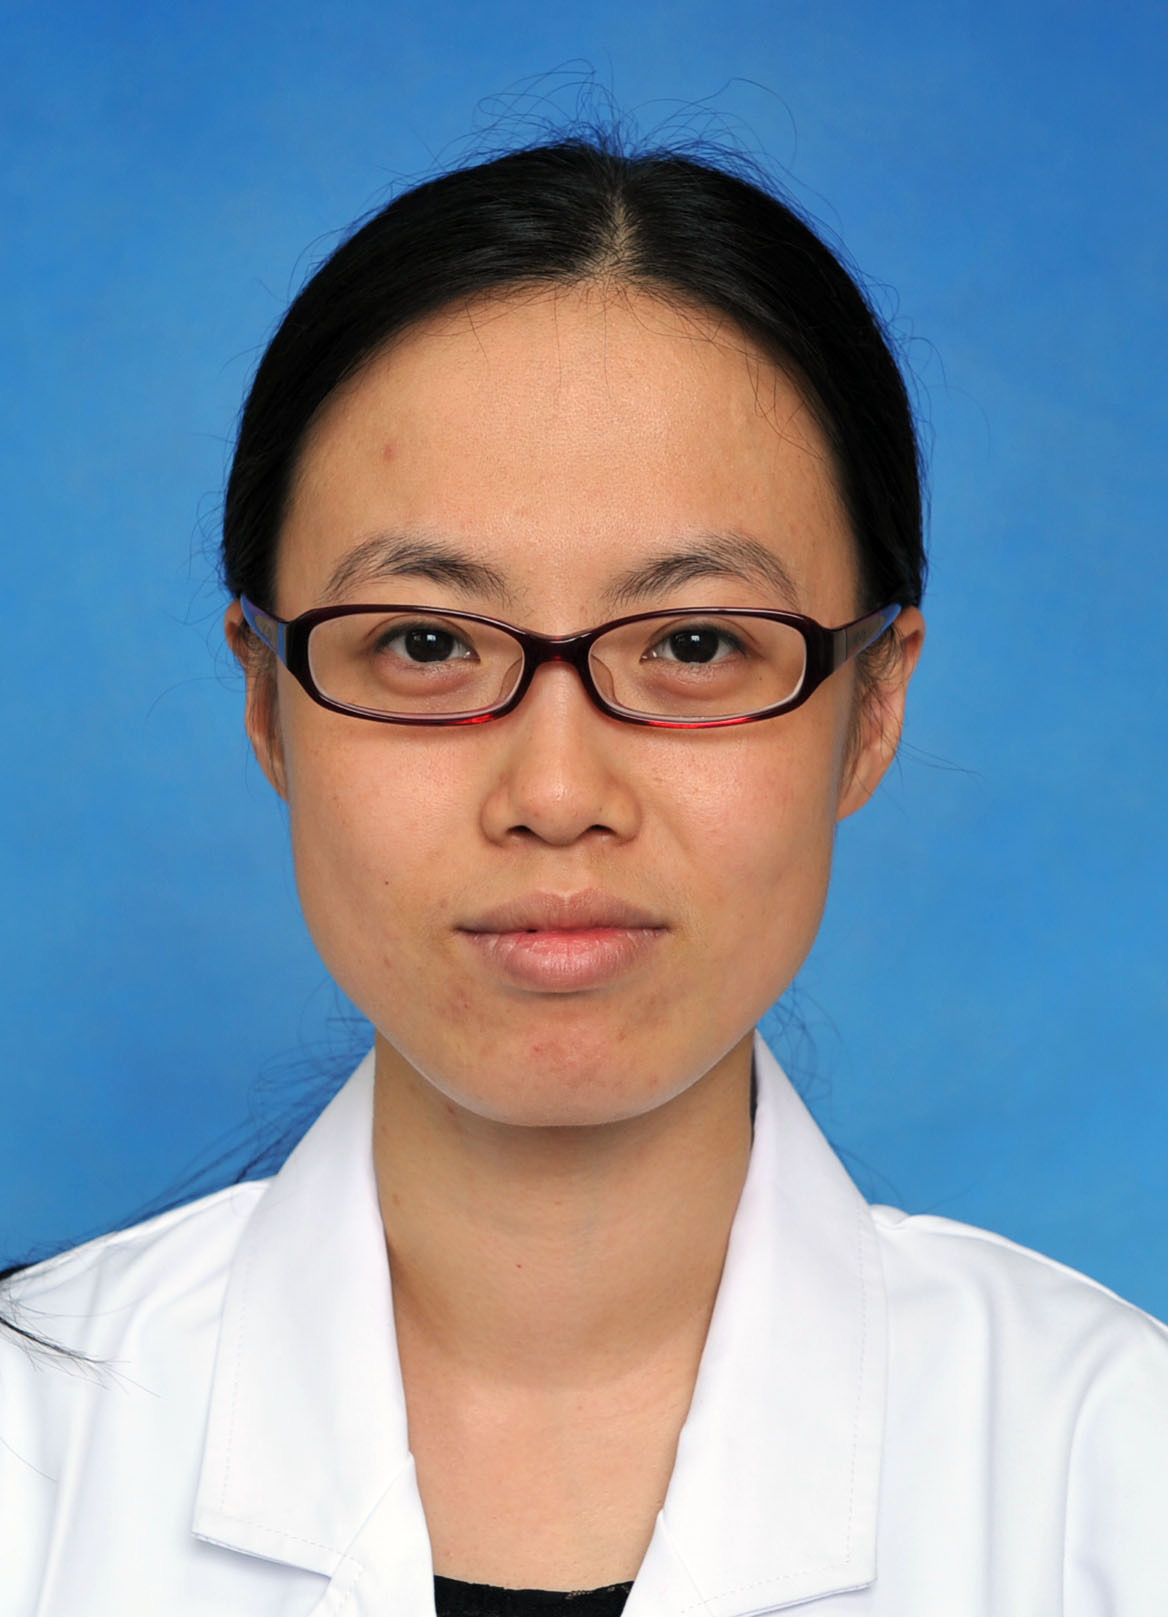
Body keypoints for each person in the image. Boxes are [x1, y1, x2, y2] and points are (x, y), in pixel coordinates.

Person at [1, 135, 1165, 1617]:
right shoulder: (29, 1462)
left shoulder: (1115, 1481)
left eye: (696, 644)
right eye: (426, 643)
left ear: (873, 706)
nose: (556, 796)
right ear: (266, 700)